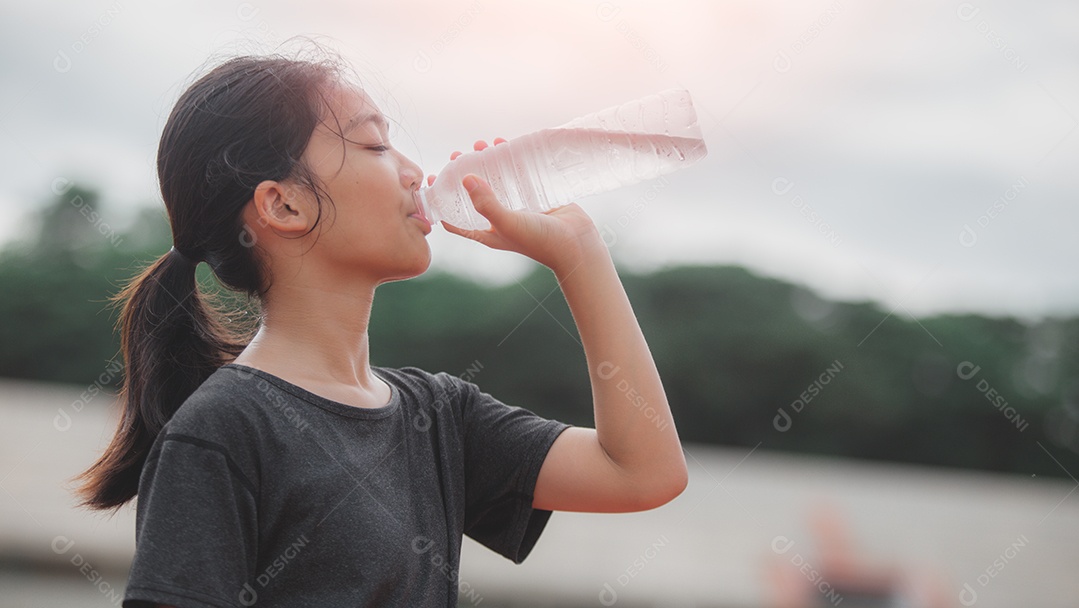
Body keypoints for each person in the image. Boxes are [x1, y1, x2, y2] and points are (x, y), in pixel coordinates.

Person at [73, 49, 687, 607]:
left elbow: (642, 472)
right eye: (374, 146)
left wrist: (579, 251)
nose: (415, 172)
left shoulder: (438, 415)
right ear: (284, 204)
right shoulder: (223, 430)